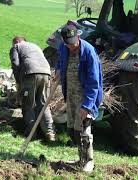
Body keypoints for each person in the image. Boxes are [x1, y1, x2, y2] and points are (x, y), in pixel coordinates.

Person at [55, 25, 103, 173]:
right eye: (68, 43)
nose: (71, 46)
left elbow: (94, 82)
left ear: (78, 37)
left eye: (73, 42)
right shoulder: (64, 48)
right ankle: (80, 159)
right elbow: (60, 60)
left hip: (86, 96)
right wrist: (58, 69)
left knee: (84, 129)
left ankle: (89, 161)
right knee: (74, 129)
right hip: (70, 94)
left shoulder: (88, 52)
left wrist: (87, 106)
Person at [10, 36, 56, 142]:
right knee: (43, 105)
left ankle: (31, 133)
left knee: (28, 104)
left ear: (16, 42)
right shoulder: (35, 46)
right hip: (46, 72)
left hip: (30, 73)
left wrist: (19, 82)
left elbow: (15, 63)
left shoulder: (16, 47)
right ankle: (50, 133)